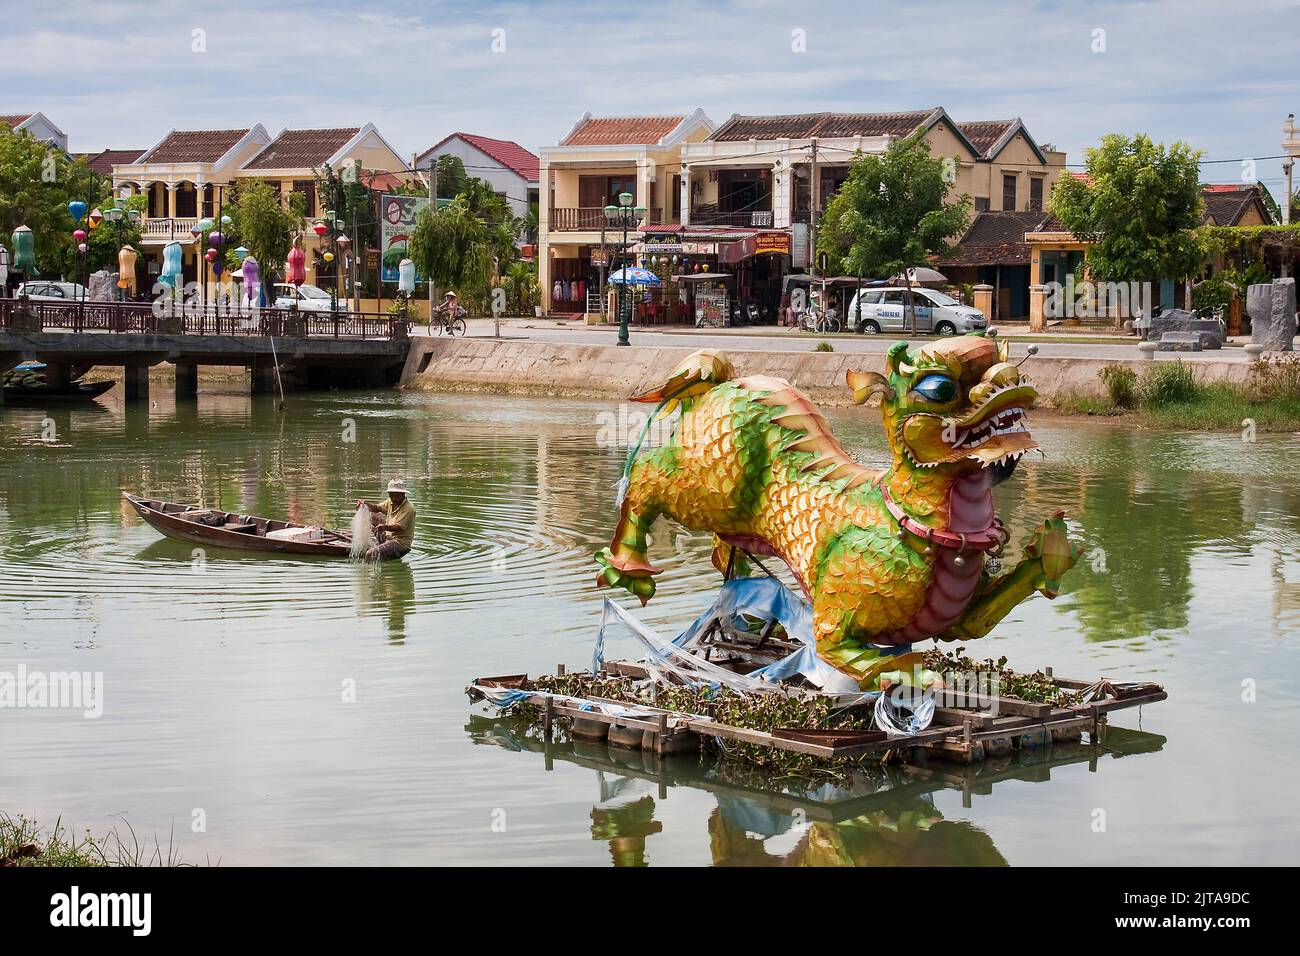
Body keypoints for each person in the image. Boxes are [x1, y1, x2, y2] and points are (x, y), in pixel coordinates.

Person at [356, 479, 416, 561]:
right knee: (370, 515)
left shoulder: (408, 508)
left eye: (397, 496)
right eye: (391, 495)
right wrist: (365, 504)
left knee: (369, 554)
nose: (394, 499)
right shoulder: (390, 501)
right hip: (388, 537)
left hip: (400, 544)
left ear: (403, 494)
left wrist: (384, 527)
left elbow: (399, 527)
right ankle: (381, 546)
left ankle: (367, 570)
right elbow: (376, 508)